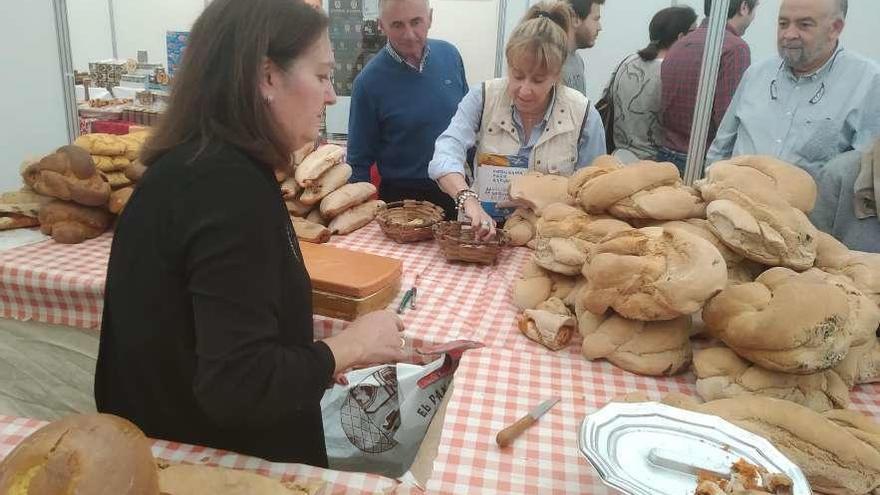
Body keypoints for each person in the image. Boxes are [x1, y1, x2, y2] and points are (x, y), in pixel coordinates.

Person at [95, 0, 407, 467]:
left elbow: (215, 342)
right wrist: (352, 345)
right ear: (267, 77)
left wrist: (316, 364)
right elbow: (239, 384)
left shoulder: (192, 166)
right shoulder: (227, 190)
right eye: (322, 76)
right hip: (219, 468)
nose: (331, 97)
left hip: (165, 448)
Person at [428, 1, 606, 240]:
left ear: (557, 74)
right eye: (517, 75)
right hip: (481, 236)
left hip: (548, 241)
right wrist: (467, 200)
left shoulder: (584, 115)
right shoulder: (483, 98)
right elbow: (445, 153)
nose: (524, 90)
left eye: (538, 80)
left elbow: (594, 193)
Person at [707, 0, 880, 177]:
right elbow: (721, 148)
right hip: (734, 199)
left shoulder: (867, 82)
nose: (788, 34)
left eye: (804, 25)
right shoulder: (757, 74)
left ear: (835, 28)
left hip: (809, 205)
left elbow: (866, 178)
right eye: (783, 24)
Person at [347, 0, 468, 219]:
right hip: (402, 204)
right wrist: (359, 216)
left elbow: (469, 124)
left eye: (416, 22)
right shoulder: (367, 83)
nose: (409, 34)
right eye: (397, 25)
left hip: (457, 192)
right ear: (381, 26)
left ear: (430, 18)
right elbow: (358, 162)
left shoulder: (451, 56)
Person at [659, 0, 758, 173]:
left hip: (666, 155)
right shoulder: (735, 48)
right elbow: (727, 121)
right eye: (754, 8)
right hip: (700, 161)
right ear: (743, 7)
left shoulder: (680, 43)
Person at [606, 6, 697, 160]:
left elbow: (607, 101)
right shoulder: (672, 72)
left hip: (618, 156)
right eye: (694, 32)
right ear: (681, 37)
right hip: (653, 165)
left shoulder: (628, 61)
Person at [562, 0, 604, 96]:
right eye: (596, 19)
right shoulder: (551, 63)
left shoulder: (578, 60)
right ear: (575, 20)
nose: (599, 27)